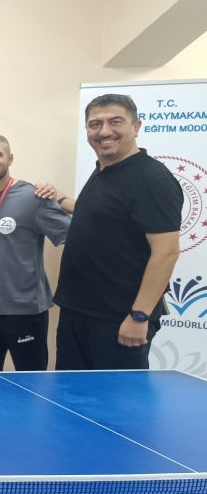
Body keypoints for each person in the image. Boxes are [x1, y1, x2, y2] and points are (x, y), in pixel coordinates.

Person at [51, 93, 182, 369]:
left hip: (118, 320)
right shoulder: (105, 169)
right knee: (72, 392)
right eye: (95, 124)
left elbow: (166, 253)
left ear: (136, 126)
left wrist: (139, 316)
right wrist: (60, 199)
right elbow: (102, 213)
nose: (104, 131)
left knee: (116, 397)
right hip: (79, 312)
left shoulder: (152, 179)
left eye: (115, 121)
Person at [0, 134, 71, 372]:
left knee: (32, 381)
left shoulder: (34, 197)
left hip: (24, 310)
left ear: (10, 159)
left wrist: (61, 197)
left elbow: (76, 237)